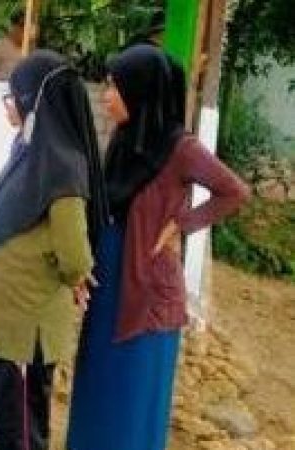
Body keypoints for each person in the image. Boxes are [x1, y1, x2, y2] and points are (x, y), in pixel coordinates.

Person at [67, 45, 250, 450]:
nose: (106, 95)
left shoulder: (179, 148)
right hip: (111, 278)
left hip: (146, 290)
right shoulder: (124, 139)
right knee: (97, 377)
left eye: (115, 87)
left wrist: (182, 224)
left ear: (140, 91)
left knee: (132, 391)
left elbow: (234, 191)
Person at [0, 50, 107, 450]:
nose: (8, 104)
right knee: (6, 417)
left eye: (12, 95)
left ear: (33, 99)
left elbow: (73, 252)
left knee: (20, 426)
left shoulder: (62, 167)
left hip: (26, 325)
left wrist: (76, 273)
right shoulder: (32, 150)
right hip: (11, 318)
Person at [0, 10, 34, 81]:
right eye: (22, 25)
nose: (26, 30)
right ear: (13, 26)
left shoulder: (32, 50)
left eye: (30, 27)